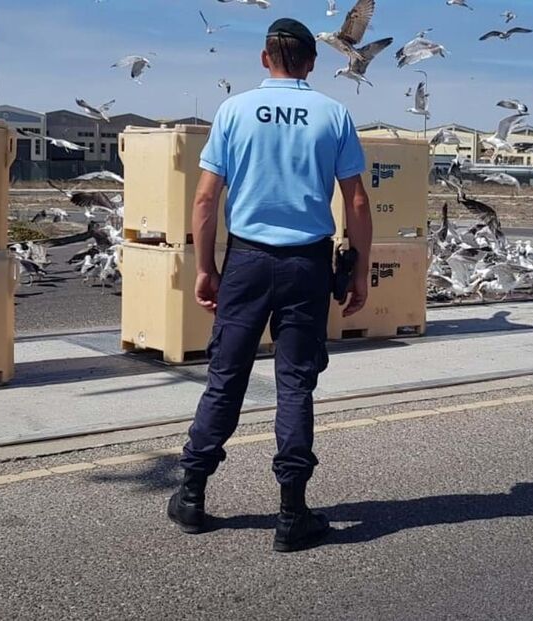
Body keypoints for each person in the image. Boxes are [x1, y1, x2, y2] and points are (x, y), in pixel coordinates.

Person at [167, 17, 373, 553]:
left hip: (248, 262)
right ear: (311, 61)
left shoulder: (233, 111)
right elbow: (355, 201)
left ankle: (191, 493)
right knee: (296, 383)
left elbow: (206, 200)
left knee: (226, 376)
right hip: (306, 265)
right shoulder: (334, 112)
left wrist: (206, 267)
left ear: (265, 60)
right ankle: (292, 511)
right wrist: (362, 269)